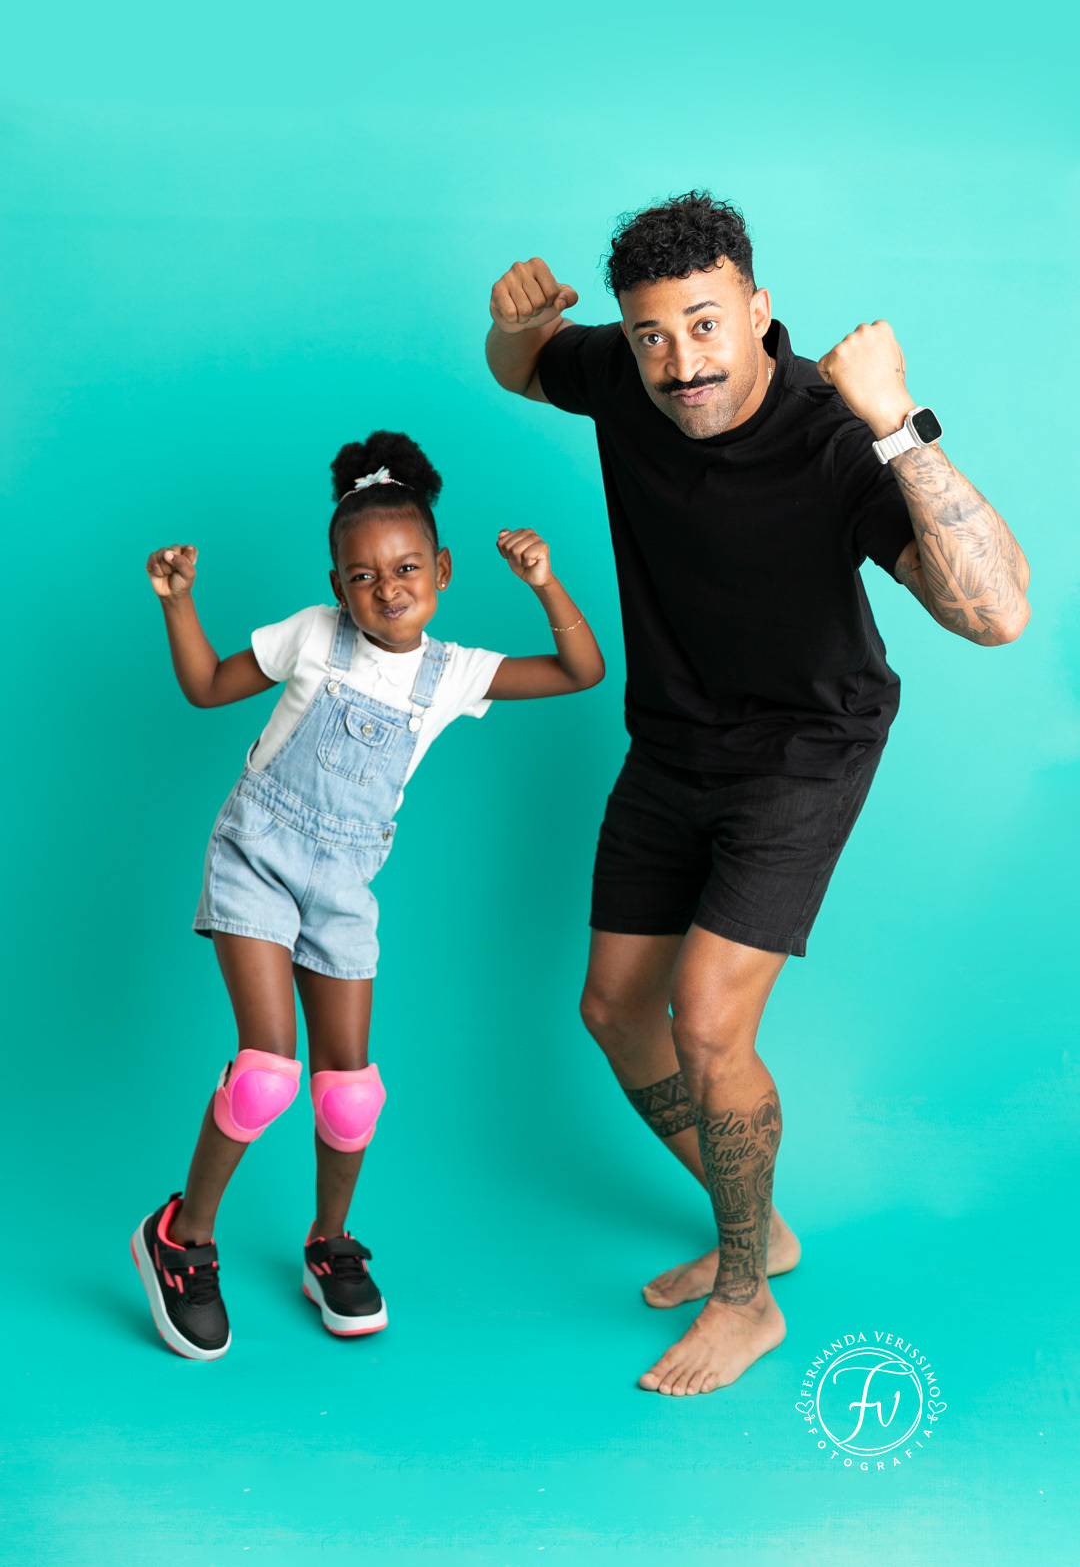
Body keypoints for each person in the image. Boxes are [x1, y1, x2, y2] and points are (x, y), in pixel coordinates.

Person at [485, 192, 1030, 1397]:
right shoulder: (624, 377)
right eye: (653, 334)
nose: (681, 362)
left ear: (758, 311)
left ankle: (747, 1295)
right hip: (672, 740)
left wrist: (898, 425)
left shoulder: (831, 434)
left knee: (707, 1022)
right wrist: (515, 328)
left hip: (804, 748)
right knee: (611, 1010)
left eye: (705, 325)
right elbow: (522, 370)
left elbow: (997, 614)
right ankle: (758, 1224)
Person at [132, 431, 604, 1360]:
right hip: (259, 856)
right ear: (337, 586)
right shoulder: (314, 633)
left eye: (407, 568)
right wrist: (178, 602)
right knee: (267, 1073)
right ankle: (181, 1236)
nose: (387, 588)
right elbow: (206, 686)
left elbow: (580, 672)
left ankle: (329, 1243)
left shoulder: (454, 673)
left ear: (443, 570)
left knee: (349, 1096)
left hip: (345, 887)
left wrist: (545, 584)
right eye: (362, 575)